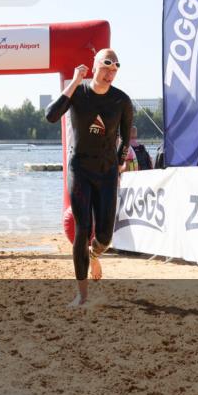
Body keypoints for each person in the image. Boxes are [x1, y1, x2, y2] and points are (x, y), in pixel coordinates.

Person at [45, 48, 133, 307]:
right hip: (80, 169)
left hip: (106, 174)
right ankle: (82, 295)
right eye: (106, 68)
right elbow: (51, 116)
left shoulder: (122, 101)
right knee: (82, 229)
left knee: (105, 236)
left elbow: (125, 140)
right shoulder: (78, 93)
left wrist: (118, 164)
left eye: (115, 69)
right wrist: (73, 81)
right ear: (95, 66)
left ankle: (94, 255)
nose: (110, 74)